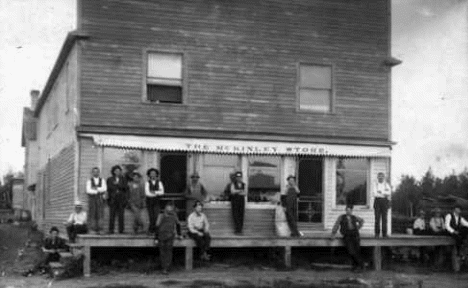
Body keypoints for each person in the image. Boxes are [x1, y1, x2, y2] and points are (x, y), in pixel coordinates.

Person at [331, 205, 365, 272]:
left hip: (355, 235)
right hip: (347, 235)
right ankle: (361, 265)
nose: (348, 211)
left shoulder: (354, 217)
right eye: (347, 210)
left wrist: (358, 227)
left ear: (352, 211)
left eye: (350, 210)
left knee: (357, 251)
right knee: (351, 251)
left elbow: (362, 221)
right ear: (345, 211)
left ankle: (356, 267)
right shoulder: (341, 217)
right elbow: (336, 225)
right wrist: (333, 233)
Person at [155, 202, 182, 275]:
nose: (169, 209)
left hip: (170, 235)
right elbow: (157, 226)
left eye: (171, 208)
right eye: (168, 207)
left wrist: (179, 234)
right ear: (165, 208)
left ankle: (166, 268)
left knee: (169, 252)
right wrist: (156, 238)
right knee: (162, 252)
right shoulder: (161, 215)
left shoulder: (174, 215)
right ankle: (163, 267)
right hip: (161, 235)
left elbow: (178, 224)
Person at [107, 165, 128, 234]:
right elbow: (109, 188)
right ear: (113, 172)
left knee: (121, 216)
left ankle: (121, 230)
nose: (117, 172)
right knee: (112, 215)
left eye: (119, 171)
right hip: (113, 199)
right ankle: (111, 230)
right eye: (116, 171)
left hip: (121, 200)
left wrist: (118, 184)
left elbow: (125, 188)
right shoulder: (110, 179)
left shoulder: (123, 179)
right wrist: (109, 200)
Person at [85, 167, 107, 234]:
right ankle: (93, 229)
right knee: (93, 214)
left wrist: (95, 188)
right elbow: (88, 190)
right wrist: (97, 191)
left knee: (100, 214)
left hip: (100, 199)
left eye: (97, 171)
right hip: (92, 199)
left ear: (99, 172)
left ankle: (100, 229)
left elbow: (104, 189)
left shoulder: (102, 180)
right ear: (92, 173)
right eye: (94, 172)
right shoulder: (89, 181)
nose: (96, 173)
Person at [145, 168, 165, 234]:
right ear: (149, 175)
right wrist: (157, 193)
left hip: (157, 202)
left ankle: (156, 230)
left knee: (156, 216)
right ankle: (151, 230)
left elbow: (162, 192)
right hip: (149, 202)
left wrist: (154, 192)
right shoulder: (147, 183)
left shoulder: (159, 182)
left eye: (154, 173)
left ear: (156, 174)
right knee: (151, 216)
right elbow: (147, 193)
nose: (153, 175)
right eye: (151, 173)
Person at [373, 172, 391, 238]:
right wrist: (384, 193)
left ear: (384, 177)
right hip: (377, 201)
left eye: (382, 176)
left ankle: (384, 234)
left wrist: (381, 192)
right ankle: (377, 234)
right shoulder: (375, 185)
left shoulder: (386, 185)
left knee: (384, 219)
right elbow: (375, 194)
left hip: (384, 202)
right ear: (377, 177)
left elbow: (389, 193)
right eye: (379, 176)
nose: (380, 178)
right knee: (377, 218)